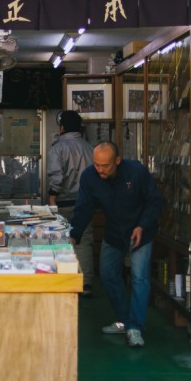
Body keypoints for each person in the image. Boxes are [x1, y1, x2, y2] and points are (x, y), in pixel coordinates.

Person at [70, 141, 164, 348]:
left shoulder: (136, 172)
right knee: (108, 275)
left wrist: (142, 225)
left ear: (118, 161)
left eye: (105, 166)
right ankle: (125, 320)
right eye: (96, 164)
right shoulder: (89, 177)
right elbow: (84, 208)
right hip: (114, 233)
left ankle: (136, 328)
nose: (100, 170)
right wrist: (74, 235)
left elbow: (155, 201)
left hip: (141, 232)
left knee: (140, 279)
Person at [46, 110, 95, 295]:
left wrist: (52, 198)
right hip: (86, 201)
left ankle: (67, 280)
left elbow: (56, 175)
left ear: (62, 127)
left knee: (63, 240)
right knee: (84, 240)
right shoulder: (90, 148)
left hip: (64, 201)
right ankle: (86, 282)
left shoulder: (58, 148)